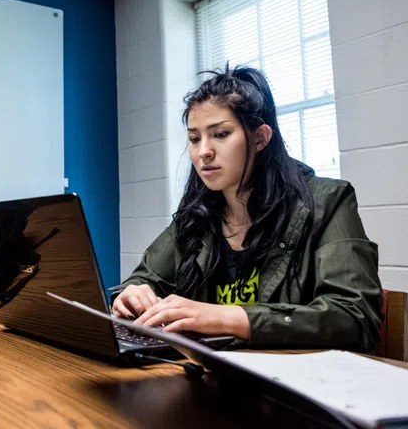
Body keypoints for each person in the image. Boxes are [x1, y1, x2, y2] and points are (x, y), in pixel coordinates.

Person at [111, 65, 382, 352]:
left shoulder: (328, 202)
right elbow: (146, 279)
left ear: (260, 138)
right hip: (213, 374)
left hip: (293, 381)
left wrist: (229, 317)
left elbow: (354, 317)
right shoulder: (198, 214)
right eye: (194, 138)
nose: (203, 151)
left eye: (221, 134)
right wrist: (133, 293)